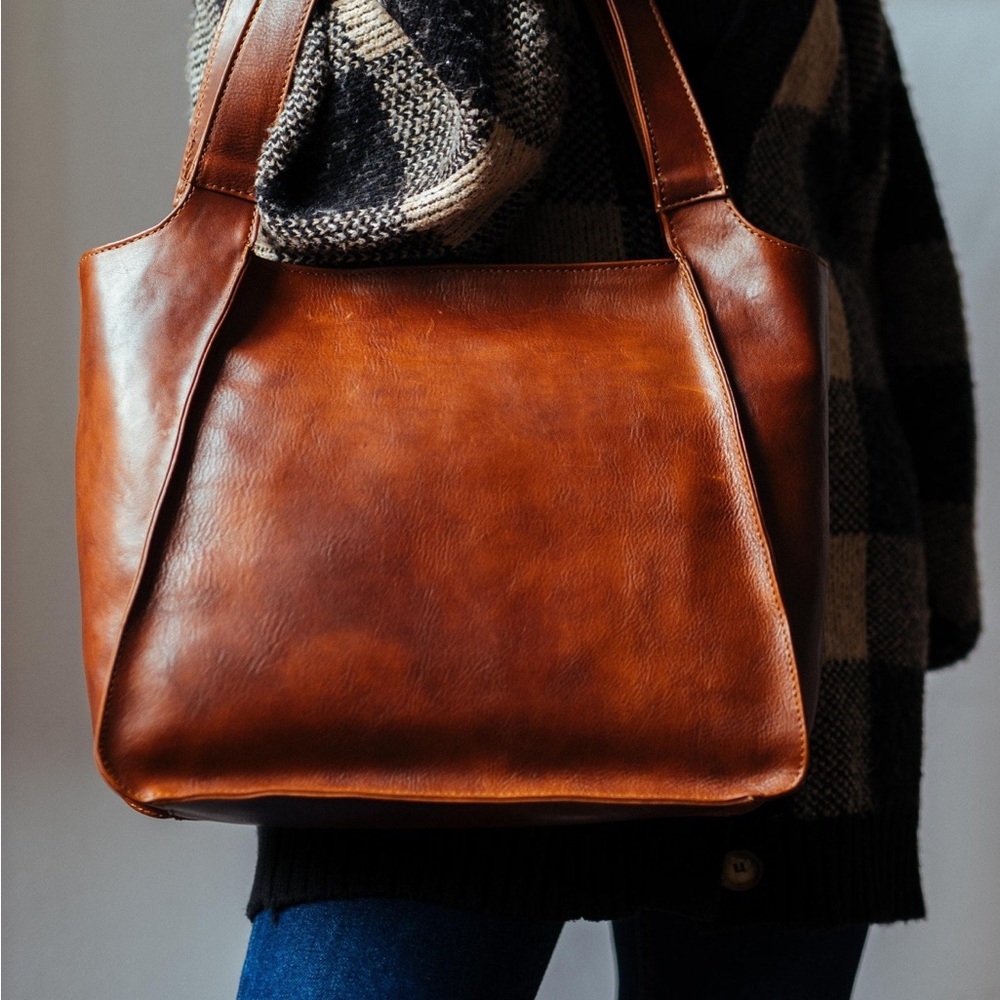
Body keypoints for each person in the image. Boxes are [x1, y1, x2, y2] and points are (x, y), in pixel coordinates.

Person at [183, 0, 981, 995]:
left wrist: (928, 576)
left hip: (791, 634)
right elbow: (401, 177)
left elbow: (869, 209)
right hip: (426, 652)